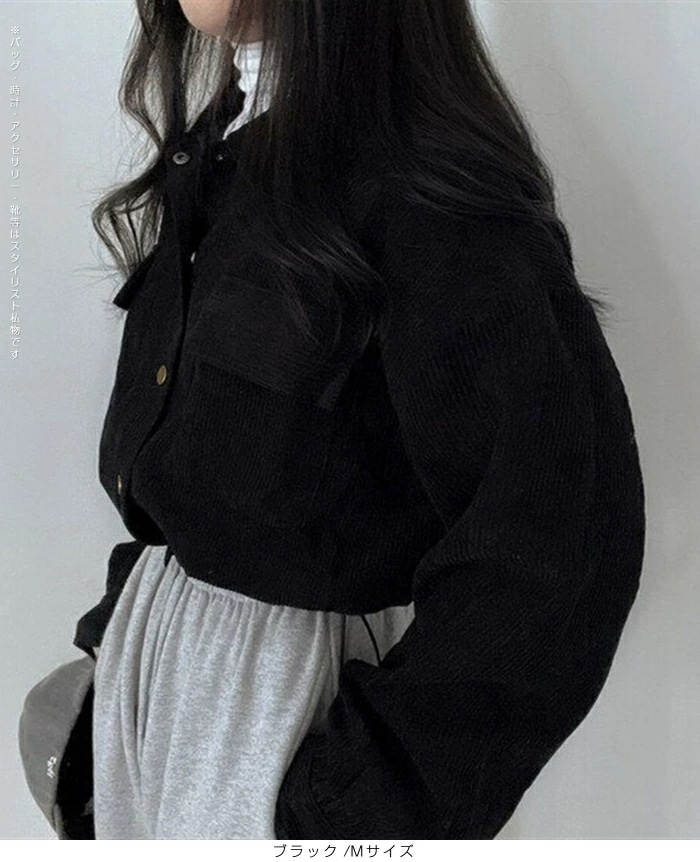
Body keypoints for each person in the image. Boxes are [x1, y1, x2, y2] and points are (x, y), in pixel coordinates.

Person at [69, 0, 645, 841]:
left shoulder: (428, 195)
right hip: (163, 684)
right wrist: (122, 647)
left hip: (286, 717)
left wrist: (355, 814)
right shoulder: (224, 151)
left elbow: (557, 546)